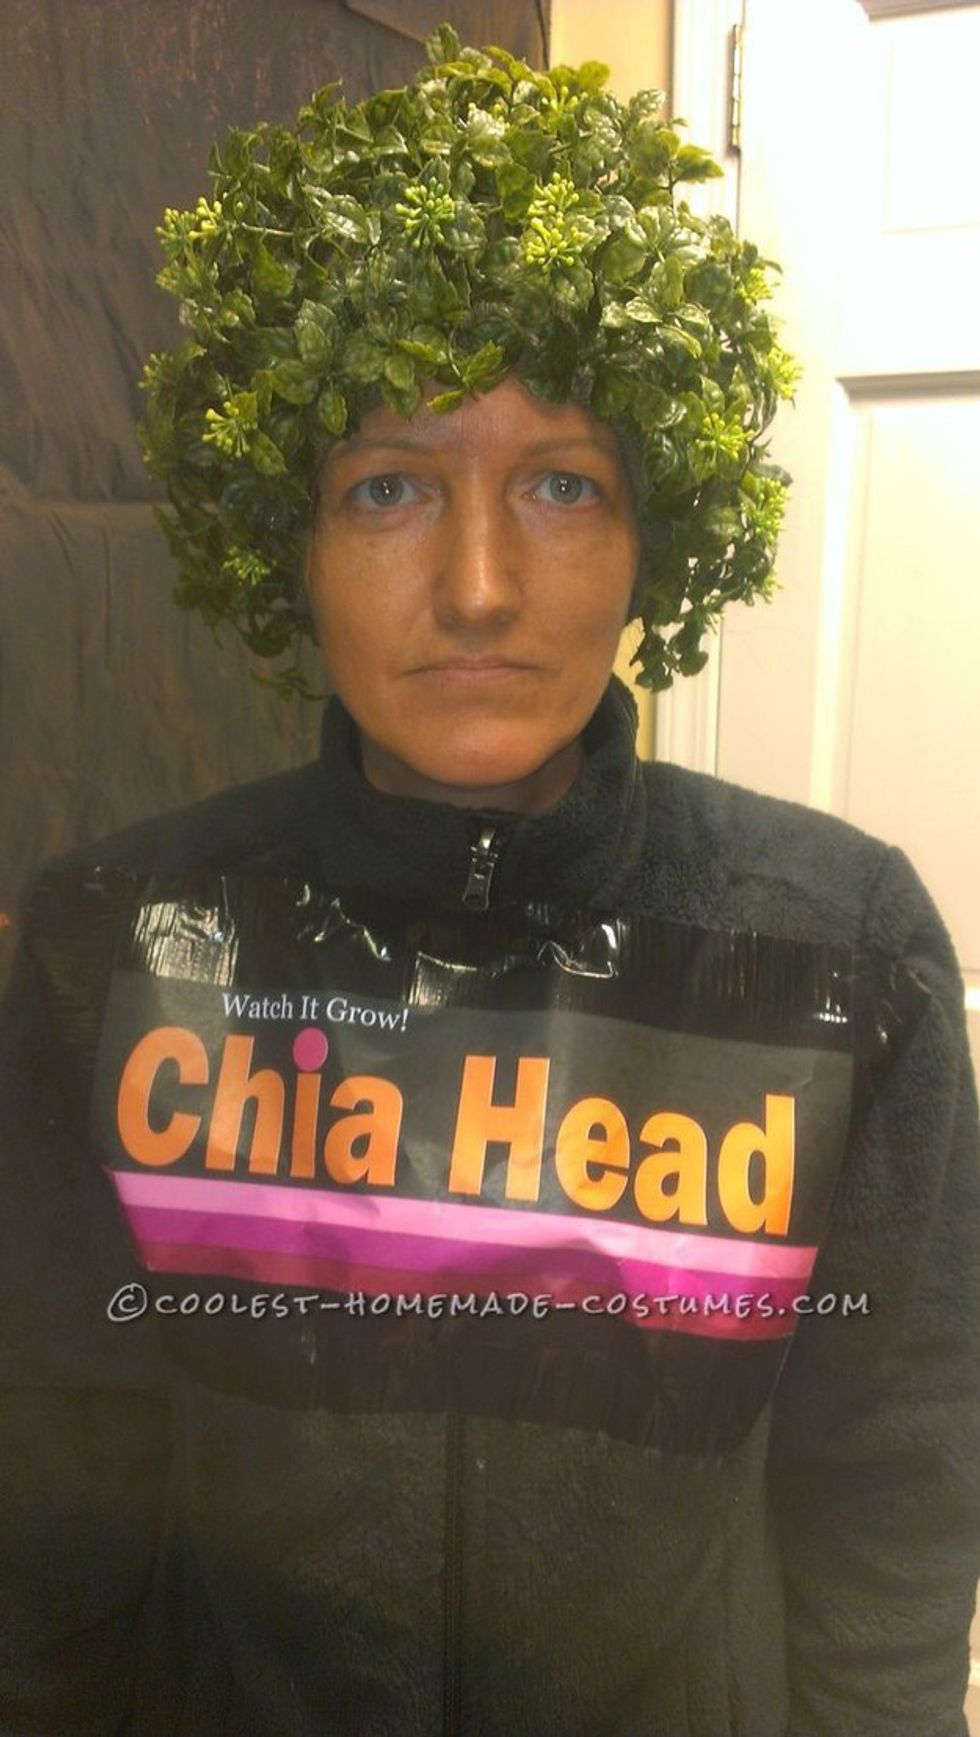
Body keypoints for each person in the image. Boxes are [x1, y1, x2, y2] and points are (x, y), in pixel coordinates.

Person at [2, 25, 979, 1737]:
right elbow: (57, 1496)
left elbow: (888, 1504)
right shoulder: (116, 946)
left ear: (654, 535)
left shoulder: (843, 953)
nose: (476, 584)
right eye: (387, 485)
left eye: (562, 484)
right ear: (288, 539)